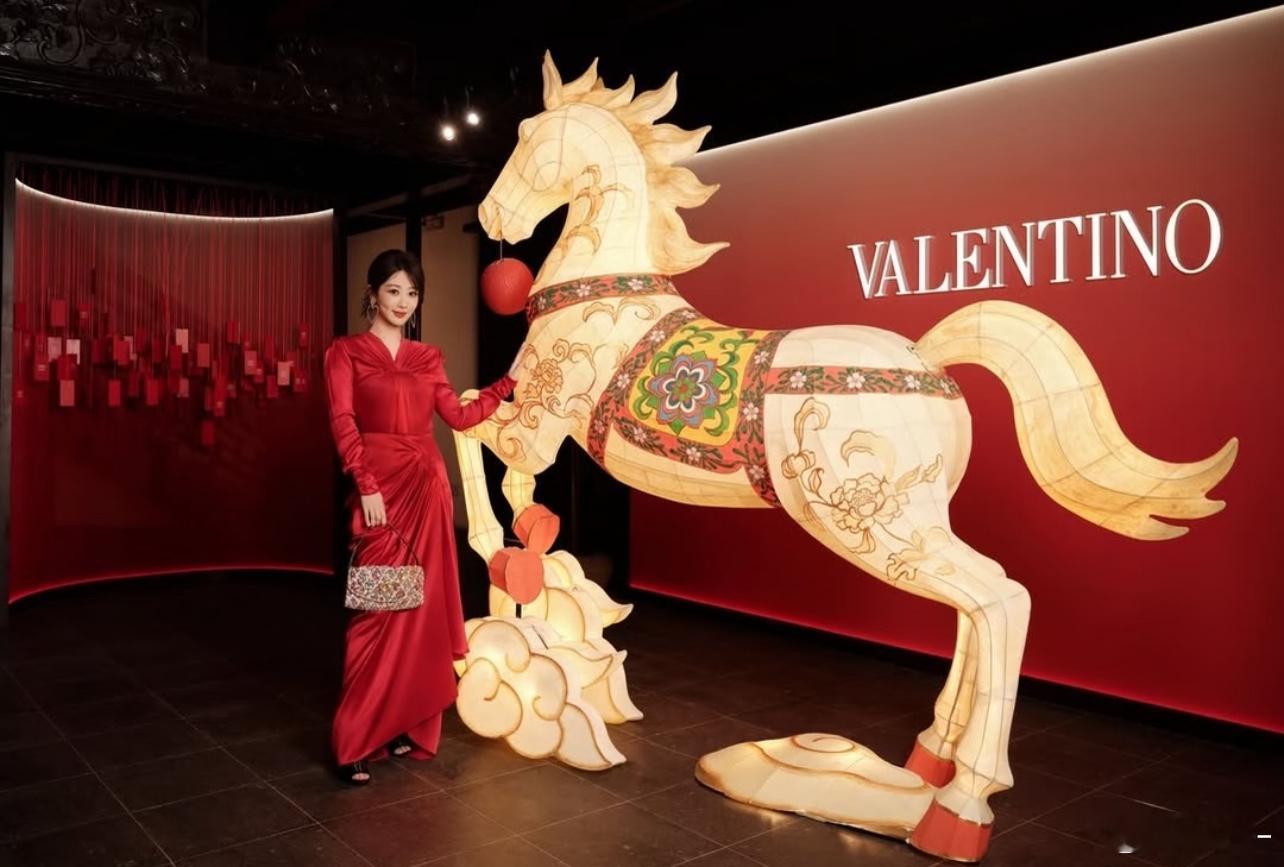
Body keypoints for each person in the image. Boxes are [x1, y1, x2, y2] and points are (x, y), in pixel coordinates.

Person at [324, 248, 520, 784]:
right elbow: (343, 421)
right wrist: (365, 483)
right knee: (377, 610)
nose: (403, 302)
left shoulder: (427, 356)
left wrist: (507, 383)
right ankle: (356, 738)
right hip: (379, 490)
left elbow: (458, 415)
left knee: (419, 610)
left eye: (412, 293)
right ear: (373, 294)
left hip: (427, 489)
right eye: (393, 291)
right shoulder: (345, 353)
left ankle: (403, 722)